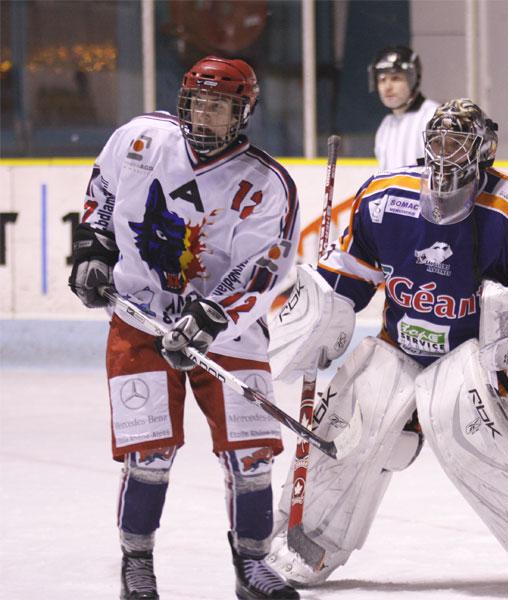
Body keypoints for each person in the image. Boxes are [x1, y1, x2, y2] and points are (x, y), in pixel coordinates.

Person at [265, 99, 508, 595]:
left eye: (458, 143)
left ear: (482, 151)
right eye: (438, 142)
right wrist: (324, 308)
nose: (446, 155)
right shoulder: (385, 198)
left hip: (467, 357)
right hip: (398, 342)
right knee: (349, 428)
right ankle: (310, 537)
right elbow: (353, 267)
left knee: (475, 437)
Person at [68, 56, 301, 600]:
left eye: (220, 106)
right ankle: (137, 562)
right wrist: (92, 251)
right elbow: (101, 195)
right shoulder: (139, 140)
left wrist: (209, 316)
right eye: (199, 102)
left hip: (227, 334)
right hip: (138, 320)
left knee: (252, 452)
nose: (206, 115)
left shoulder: (266, 184)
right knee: (147, 454)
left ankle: (253, 564)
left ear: (243, 113)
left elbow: (263, 268)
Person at [369, 45, 440, 170]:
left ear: (413, 79)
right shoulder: (385, 126)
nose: (387, 87)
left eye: (395, 78)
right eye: (382, 79)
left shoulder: (434, 117)